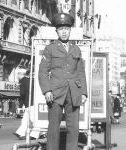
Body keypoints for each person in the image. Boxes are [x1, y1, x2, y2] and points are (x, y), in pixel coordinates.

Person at [38, 13, 87, 150]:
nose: (64, 32)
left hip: (73, 93)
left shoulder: (76, 49)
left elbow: (80, 72)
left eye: (66, 28)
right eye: (61, 29)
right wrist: (47, 90)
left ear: (70, 30)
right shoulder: (50, 49)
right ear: (56, 31)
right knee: (53, 128)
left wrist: (83, 92)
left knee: (74, 128)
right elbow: (43, 72)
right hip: (55, 93)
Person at [14, 68, 39, 140]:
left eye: (18, 74)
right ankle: (20, 133)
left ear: (21, 74)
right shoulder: (30, 80)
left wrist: (21, 104)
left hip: (29, 102)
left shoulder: (22, 81)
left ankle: (36, 134)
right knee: (25, 119)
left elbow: (23, 94)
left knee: (33, 119)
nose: (17, 76)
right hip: (32, 102)